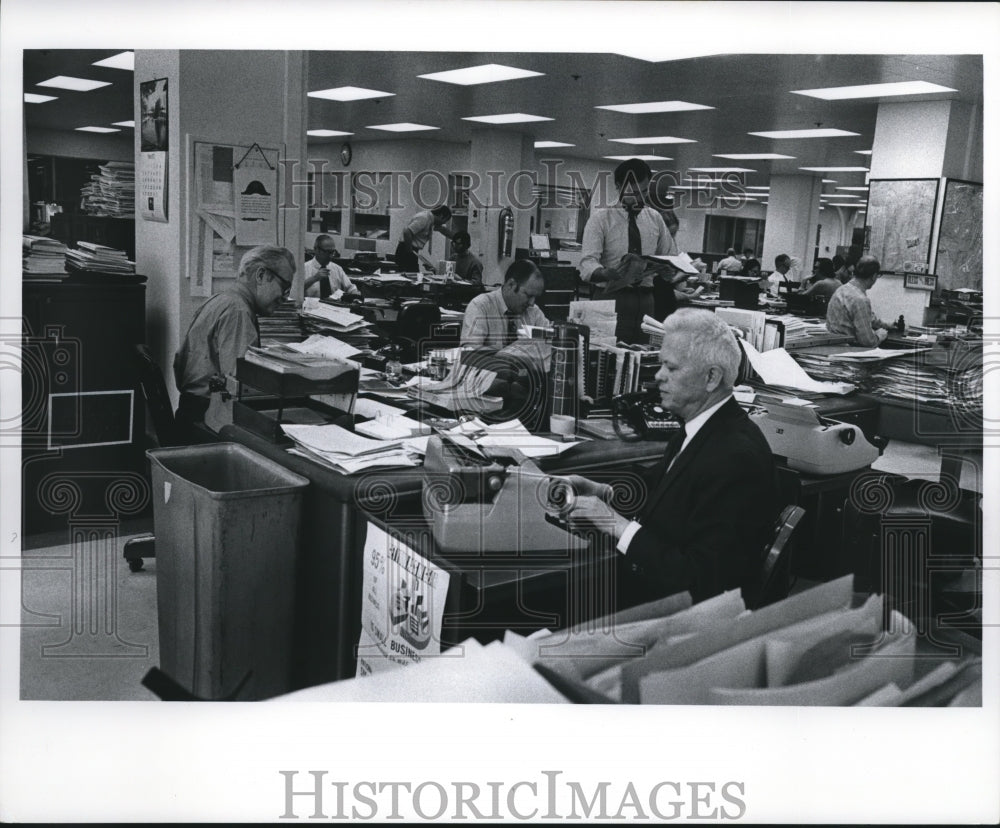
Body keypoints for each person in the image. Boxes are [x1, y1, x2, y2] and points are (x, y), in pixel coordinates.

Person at [563, 308, 778, 606]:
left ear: (711, 377)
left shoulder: (735, 458)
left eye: (671, 368)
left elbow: (702, 582)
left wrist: (615, 524)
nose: (658, 376)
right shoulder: (701, 427)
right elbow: (661, 495)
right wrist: (604, 493)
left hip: (671, 619)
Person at [173, 245, 296, 435]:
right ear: (261, 275)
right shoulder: (238, 312)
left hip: (190, 414)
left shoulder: (221, 300)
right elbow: (240, 387)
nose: (284, 298)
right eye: (285, 287)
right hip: (206, 421)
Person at [580, 158, 678, 343]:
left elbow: (669, 255)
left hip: (646, 300)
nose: (640, 198)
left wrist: (667, 268)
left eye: (644, 192)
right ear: (619, 187)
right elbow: (587, 264)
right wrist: (606, 273)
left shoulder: (654, 218)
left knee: (641, 357)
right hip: (610, 297)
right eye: (634, 193)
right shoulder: (601, 219)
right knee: (606, 355)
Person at [460, 259, 548, 349]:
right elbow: (470, 350)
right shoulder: (480, 306)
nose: (532, 303)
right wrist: (508, 356)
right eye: (529, 296)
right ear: (511, 285)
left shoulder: (534, 312)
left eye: (535, 297)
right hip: (491, 363)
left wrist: (534, 334)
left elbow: (550, 338)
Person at [826, 254, 893, 346]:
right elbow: (868, 341)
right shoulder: (860, 299)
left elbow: (867, 317)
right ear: (874, 276)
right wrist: (880, 335)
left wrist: (888, 325)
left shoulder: (841, 289)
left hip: (832, 346)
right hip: (849, 350)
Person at [395, 205, 453, 273]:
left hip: (411, 249)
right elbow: (407, 232)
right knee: (411, 276)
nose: (444, 223)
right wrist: (409, 252)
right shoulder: (424, 218)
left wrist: (455, 237)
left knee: (414, 275)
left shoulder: (430, 220)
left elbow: (443, 230)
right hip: (406, 249)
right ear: (441, 216)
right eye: (445, 220)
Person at [303, 234, 358, 298]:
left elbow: (350, 288)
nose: (331, 256)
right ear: (316, 250)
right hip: (312, 306)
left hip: (334, 306)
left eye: (332, 252)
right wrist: (314, 278)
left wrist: (355, 294)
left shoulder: (337, 268)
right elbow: (294, 291)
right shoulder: (304, 268)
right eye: (327, 252)